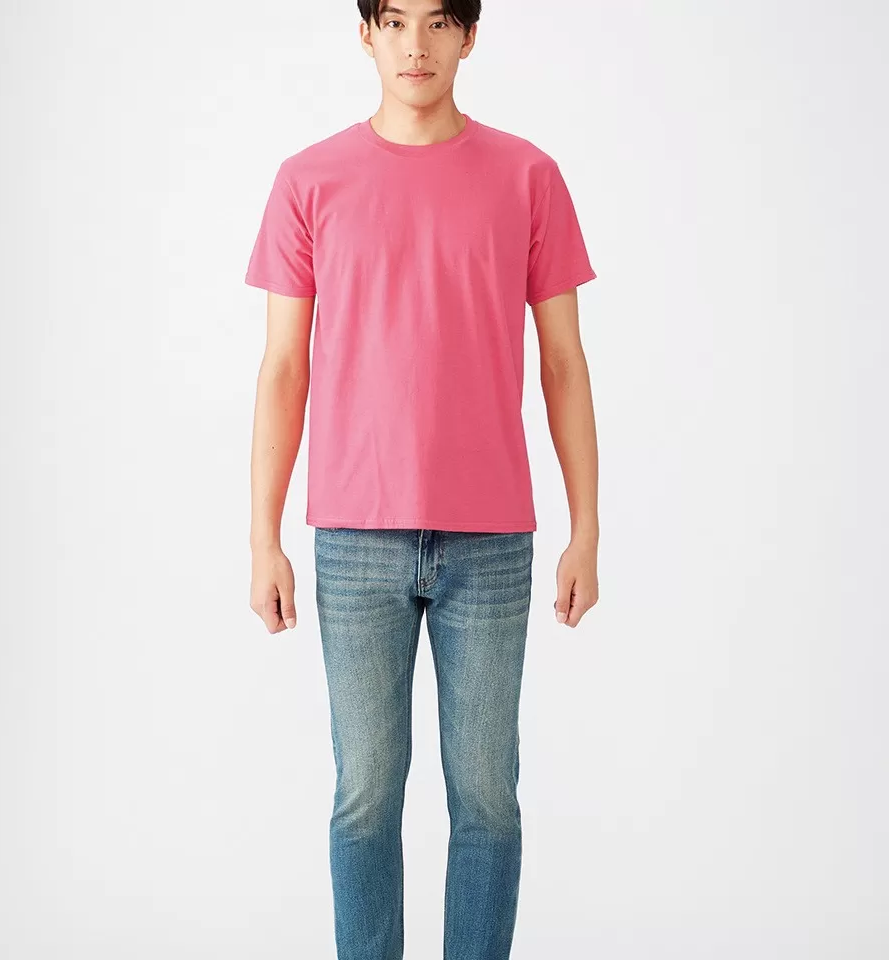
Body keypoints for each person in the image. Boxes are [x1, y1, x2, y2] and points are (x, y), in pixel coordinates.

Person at [243, 2, 600, 957]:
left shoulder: (528, 176)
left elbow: (564, 362)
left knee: (487, 800)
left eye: (439, 22)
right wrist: (263, 538)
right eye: (394, 20)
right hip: (355, 537)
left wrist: (587, 528)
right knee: (364, 799)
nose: (415, 45)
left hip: (492, 541)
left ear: (469, 36)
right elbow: (283, 368)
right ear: (365, 31)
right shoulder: (308, 180)